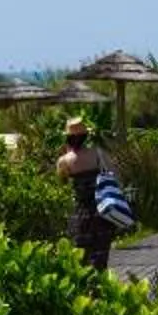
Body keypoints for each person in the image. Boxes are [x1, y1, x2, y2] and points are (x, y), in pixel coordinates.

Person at [55, 115, 117, 272]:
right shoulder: (98, 154)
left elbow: (61, 183)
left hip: (80, 216)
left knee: (82, 261)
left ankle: (88, 293)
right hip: (101, 212)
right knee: (101, 259)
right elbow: (113, 174)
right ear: (85, 137)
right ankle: (101, 291)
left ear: (68, 138)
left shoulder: (64, 161)